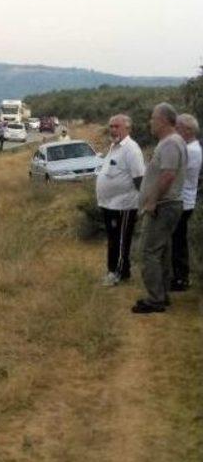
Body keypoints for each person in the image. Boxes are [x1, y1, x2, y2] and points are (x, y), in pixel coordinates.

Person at [133, 103, 187, 314]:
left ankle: (155, 299)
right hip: (166, 205)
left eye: (153, 118)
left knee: (148, 252)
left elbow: (168, 175)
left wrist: (152, 201)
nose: (150, 122)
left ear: (163, 120)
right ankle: (161, 295)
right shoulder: (170, 142)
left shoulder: (171, 143)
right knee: (161, 251)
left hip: (164, 206)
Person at [95, 114, 145, 286]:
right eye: (111, 126)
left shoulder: (131, 149)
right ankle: (119, 271)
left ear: (128, 129)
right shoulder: (114, 147)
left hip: (124, 205)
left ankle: (117, 273)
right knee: (113, 239)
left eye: (117, 126)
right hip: (109, 204)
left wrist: (144, 203)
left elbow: (139, 178)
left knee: (121, 240)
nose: (113, 130)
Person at [171, 113, 202, 291]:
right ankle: (180, 276)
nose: (176, 131)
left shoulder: (190, 150)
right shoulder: (192, 148)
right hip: (185, 200)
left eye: (179, 128)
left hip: (182, 201)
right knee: (178, 240)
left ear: (189, 130)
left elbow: (173, 173)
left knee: (178, 241)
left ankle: (181, 278)